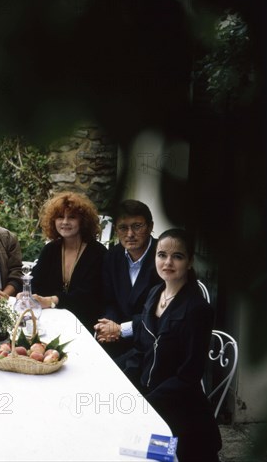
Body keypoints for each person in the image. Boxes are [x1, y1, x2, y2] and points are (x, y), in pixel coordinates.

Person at [118, 229, 221, 461]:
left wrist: (146, 403)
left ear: (190, 261)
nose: (168, 262)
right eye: (162, 254)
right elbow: (141, 348)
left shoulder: (197, 310)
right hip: (149, 401)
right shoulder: (155, 294)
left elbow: (189, 375)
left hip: (180, 415)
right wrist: (121, 377)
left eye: (178, 256)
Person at [29, 192, 107, 333]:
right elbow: (35, 283)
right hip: (50, 321)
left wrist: (52, 300)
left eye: (71, 217)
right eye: (60, 217)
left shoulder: (97, 253)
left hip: (83, 325)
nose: (65, 222)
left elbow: (89, 297)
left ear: (83, 221)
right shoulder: (50, 249)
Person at [94, 199, 161, 359]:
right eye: (123, 228)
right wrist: (110, 326)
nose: (130, 234)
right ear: (116, 230)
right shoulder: (112, 257)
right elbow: (109, 300)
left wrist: (121, 329)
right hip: (117, 338)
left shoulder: (164, 258)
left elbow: (160, 313)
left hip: (153, 342)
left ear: (150, 227)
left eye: (137, 226)